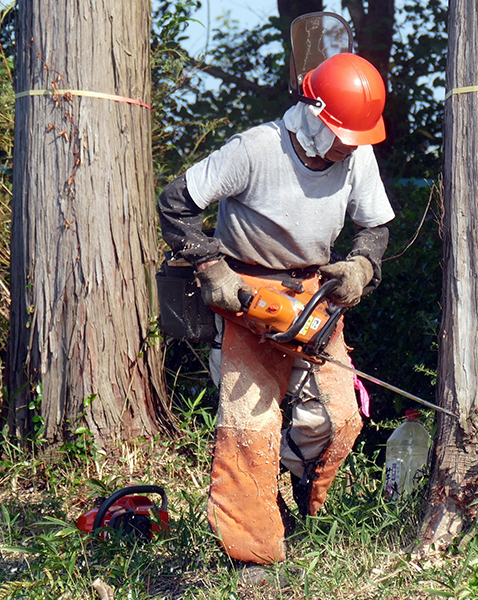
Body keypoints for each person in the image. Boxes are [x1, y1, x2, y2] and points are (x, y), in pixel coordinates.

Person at [157, 52, 394, 565]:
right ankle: (253, 556)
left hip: (313, 293)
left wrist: (361, 267)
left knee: (339, 418)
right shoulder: (255, 149)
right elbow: (175, 201)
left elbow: (376, 226)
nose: (346, 148)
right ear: (314, 113)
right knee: (248, 427)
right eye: (341, 137)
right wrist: (210, 268)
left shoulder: (355, 150)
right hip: (244, 296)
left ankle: (295, 496)